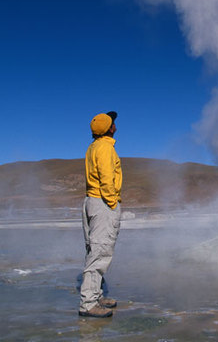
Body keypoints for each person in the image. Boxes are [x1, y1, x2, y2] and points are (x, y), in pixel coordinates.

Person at [79, 111, 122, 318]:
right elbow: (106, 177)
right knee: (100, 252)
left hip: (91, 201)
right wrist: (112, 203)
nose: (115, 125)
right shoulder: (105, 148)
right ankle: (88, 304)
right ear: (108, 128)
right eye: (112, 122)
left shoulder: (93, 147)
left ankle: (95, 296)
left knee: (94, 249)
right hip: (103, 203)